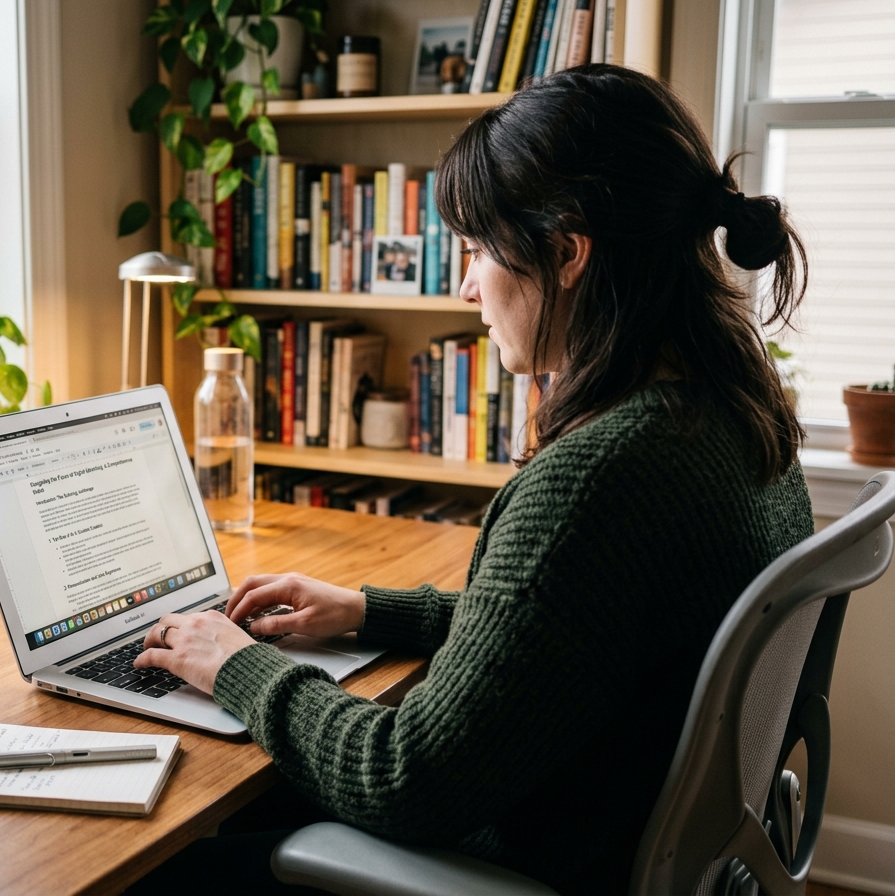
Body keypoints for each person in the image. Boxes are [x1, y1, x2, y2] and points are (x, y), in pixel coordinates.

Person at [127, 64, 812, 895]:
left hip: (523, 857)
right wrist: (372, 611)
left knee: (158, 857)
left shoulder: (600, 478)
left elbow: (401, 779)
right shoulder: (736, 412)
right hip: (618, 831)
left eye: (480, 249)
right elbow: (573, 630)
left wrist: (233, 664)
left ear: (566, 253)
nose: (463, 285)